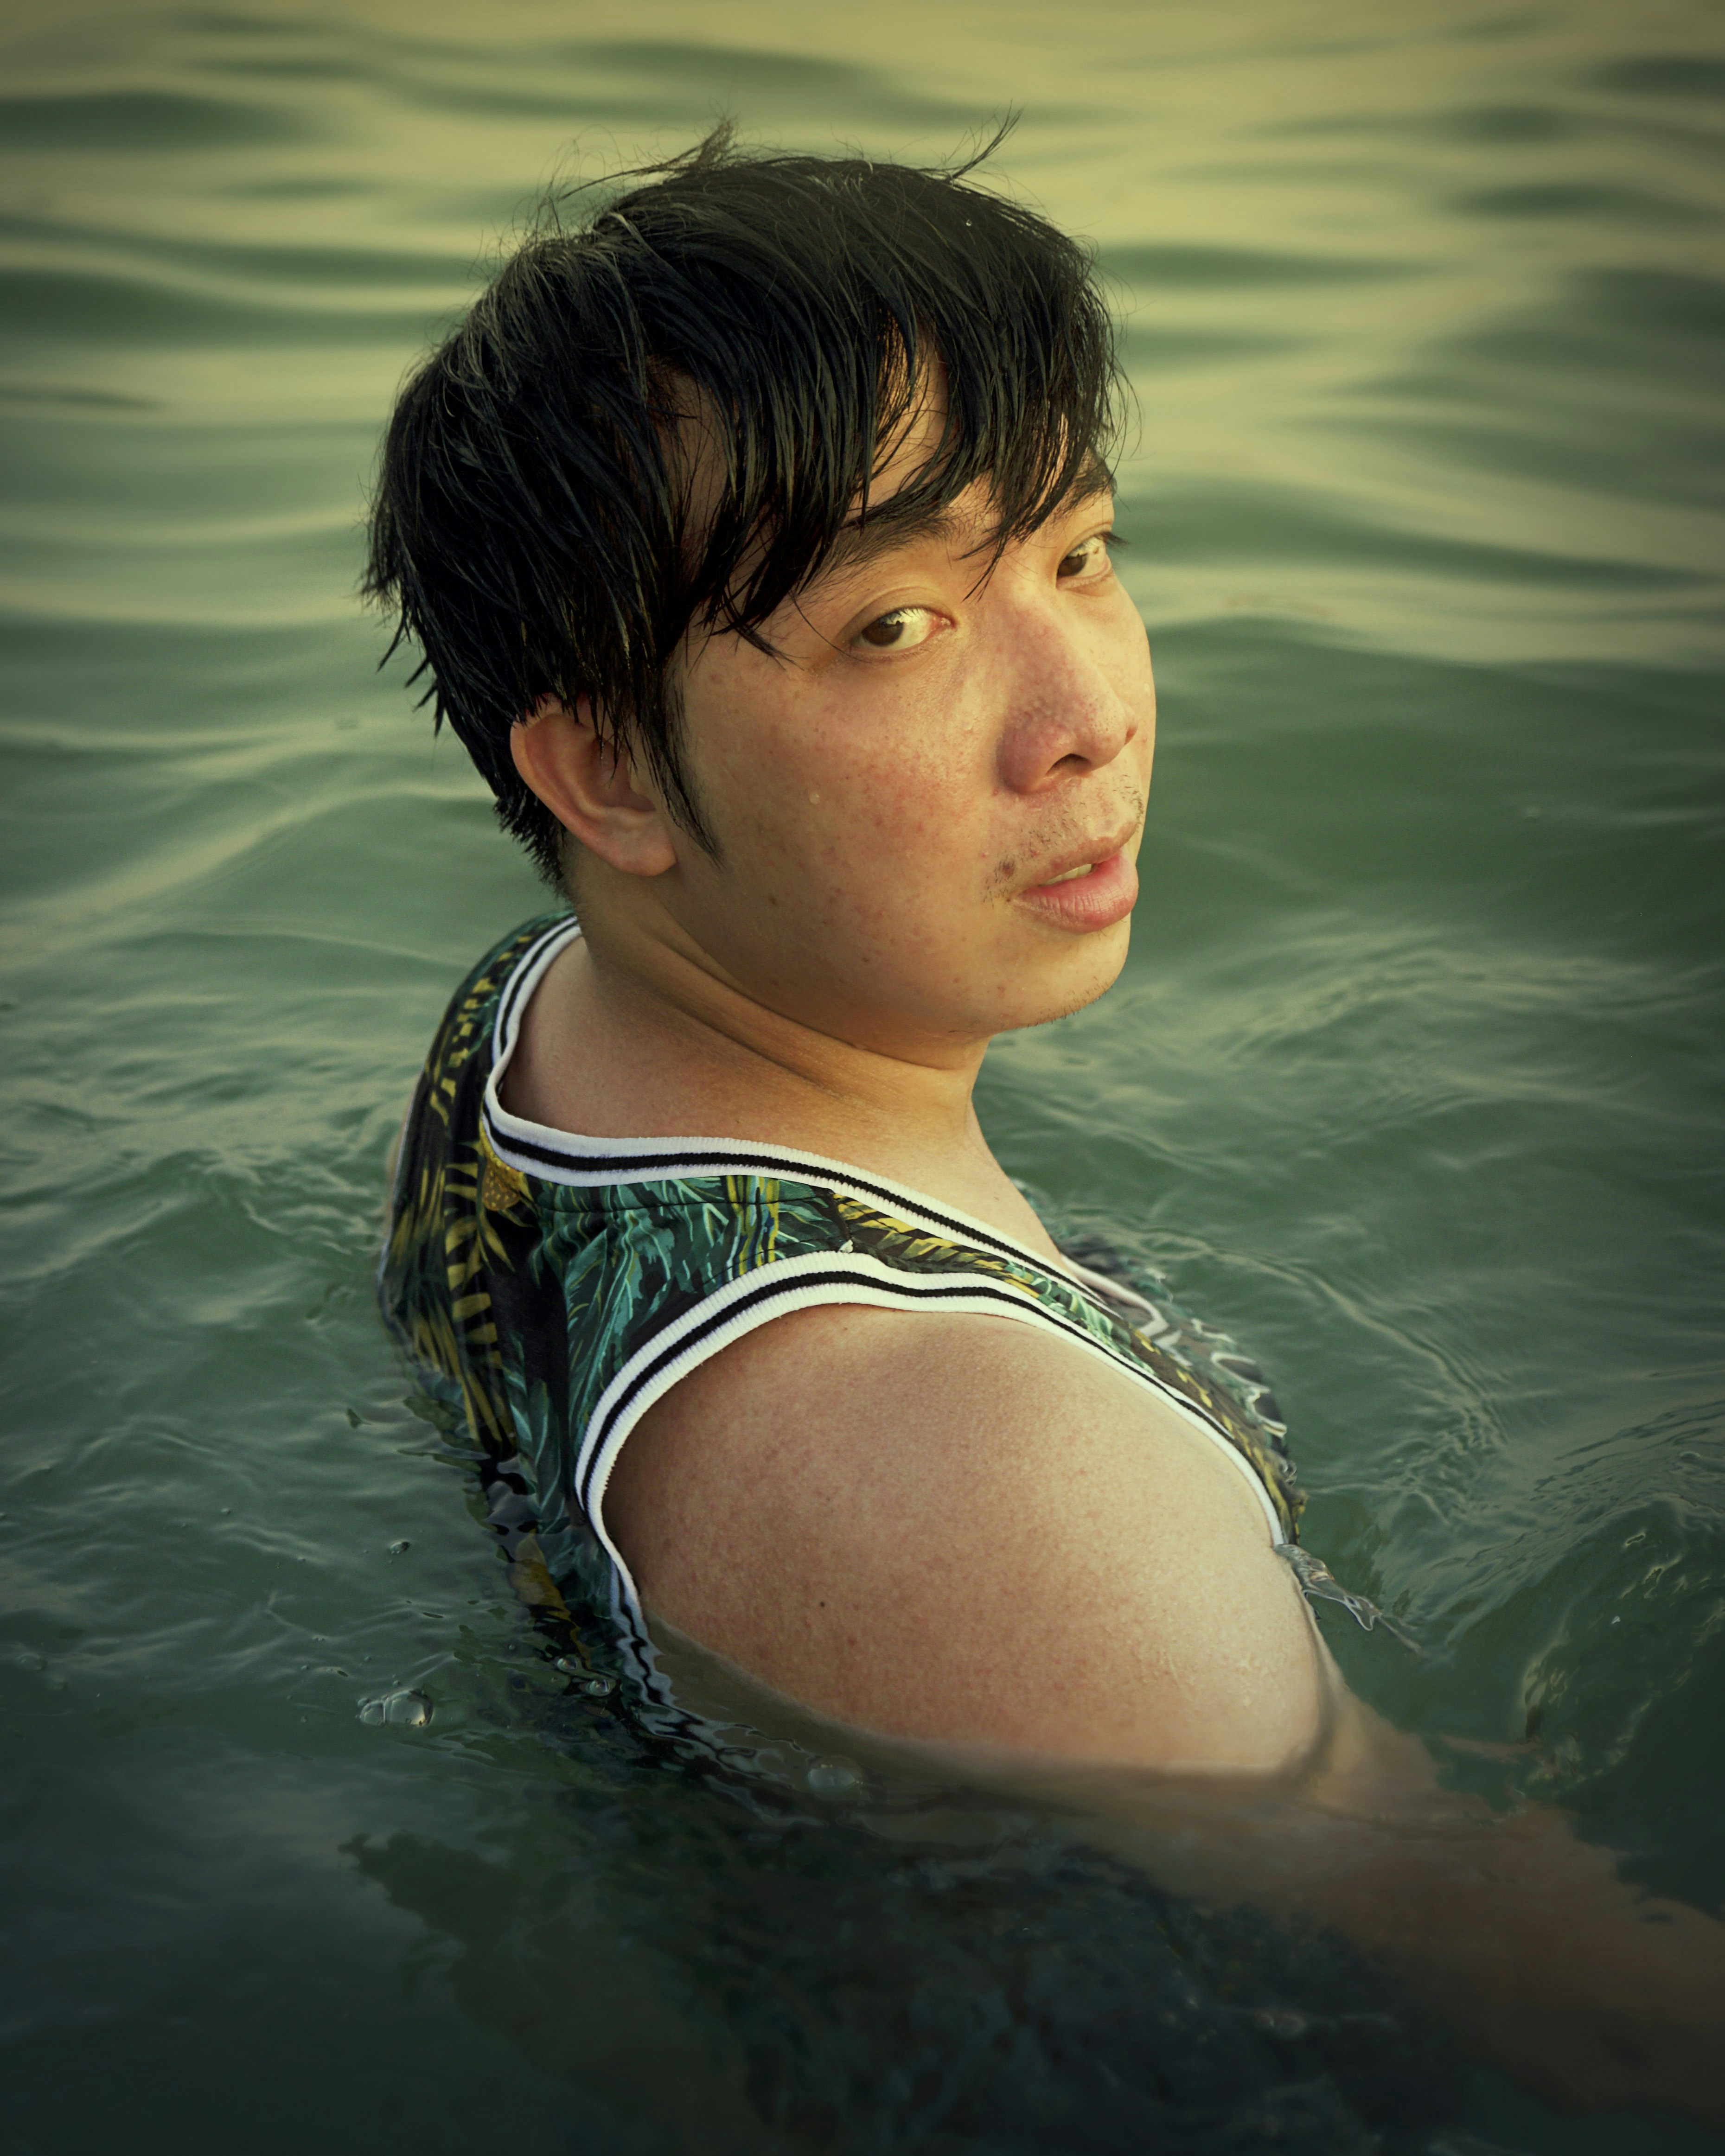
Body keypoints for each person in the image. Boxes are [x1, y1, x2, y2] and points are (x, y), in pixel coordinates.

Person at [367, 128, 1724, 2117]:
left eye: (1080, 552)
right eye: (896, 628)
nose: (1084, 705)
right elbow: (1558, 1994)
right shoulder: (1004, 1492)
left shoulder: (525, 1024)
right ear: (601, 771)